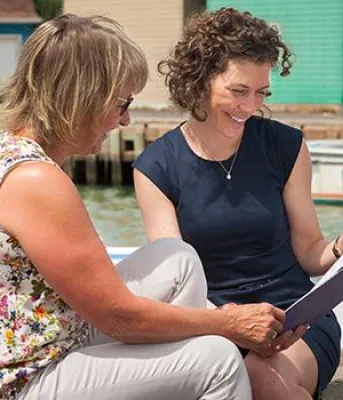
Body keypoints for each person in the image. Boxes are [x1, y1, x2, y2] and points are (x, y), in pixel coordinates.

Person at [0, 13, 253, 400]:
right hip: (27, 376)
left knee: (176, 259)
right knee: (218, 359)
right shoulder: (35, 180)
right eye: (122, 103)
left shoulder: (16, 151)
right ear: (81, 97)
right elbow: (118, 317)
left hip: (47, 333)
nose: (126, 120)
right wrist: (227, 323)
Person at [133, 7, 342, 400]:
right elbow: (176, 283)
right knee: (248, 372)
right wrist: (232, 324)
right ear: (199, 80)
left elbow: (311, 254)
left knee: (261, 376)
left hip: (295, 319)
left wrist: (337, 247)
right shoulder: (155, 168)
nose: (250, 106)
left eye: (261, 92)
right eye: (238, 91)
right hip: (210, 322)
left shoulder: (287, 146)